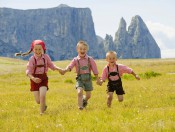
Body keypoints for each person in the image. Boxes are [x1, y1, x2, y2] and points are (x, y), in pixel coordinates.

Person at [15, 40, 64, 115]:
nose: (38, 51)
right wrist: (33, 78)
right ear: (32, 50)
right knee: (38, 101)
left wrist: (59, 69)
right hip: (34, 79)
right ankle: (43, 105)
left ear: (43, 49)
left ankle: (42, 113)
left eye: (39, 49)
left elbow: (51, 65)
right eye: (36, 49)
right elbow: (28, 71)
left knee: (42, 95)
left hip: (43, 78)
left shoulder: (46, 57)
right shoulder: (32, 59)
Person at [63, 40, 101, 110]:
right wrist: (65, 70)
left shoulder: (90, 59)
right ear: (77, 50)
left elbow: (95, 70)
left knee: (88, 95)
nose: (82, 50)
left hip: (88, 79)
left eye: (84, 49)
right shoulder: (75, 60)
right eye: (81, 49)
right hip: (80, 78)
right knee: (79, 92)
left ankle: (84, 100)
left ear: (87, 50)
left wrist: (97, 79)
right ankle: (80, 107)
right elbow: (70, 66)